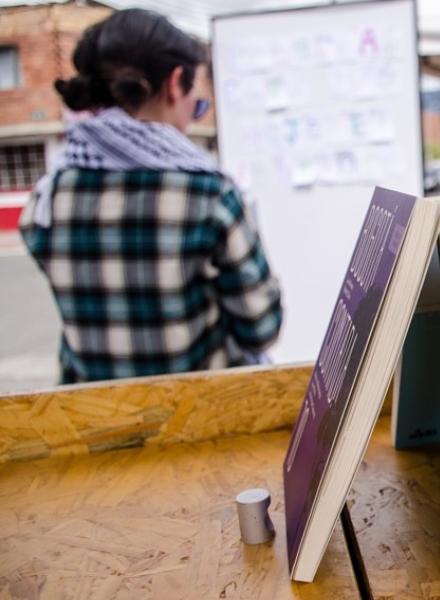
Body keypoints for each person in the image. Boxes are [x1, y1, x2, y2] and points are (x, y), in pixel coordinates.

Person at [19, 9, 283, 384]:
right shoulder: (210, 195)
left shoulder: (46, 198)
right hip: (200, 423)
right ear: (176, 83)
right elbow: (262, 328)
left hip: (93, 423)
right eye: (198, 101)